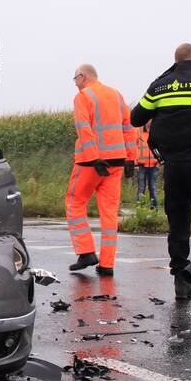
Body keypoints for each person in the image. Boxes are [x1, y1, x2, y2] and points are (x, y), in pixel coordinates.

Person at [130, 43, 191, 303]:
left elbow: (136, 118)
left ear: (176, 61)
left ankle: (180, 283)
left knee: (178, 223)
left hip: (173, 165)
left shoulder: (160, 84)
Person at [65, 64, 138, 276]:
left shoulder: (83, 97)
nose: (75, 83)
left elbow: (84, 128)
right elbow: (128, 126)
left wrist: (93, 157)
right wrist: (130, 159)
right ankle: (107, 264)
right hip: (116, 162)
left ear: (83, 76)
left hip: (91, 163)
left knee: (74, 203)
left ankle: (86, 252)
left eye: (75, 78)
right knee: (109, 214)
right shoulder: (115, 94)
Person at [135, 121, 159, 209]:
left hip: (154, 165)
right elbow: (134, 147)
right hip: (141, 165)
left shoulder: (156, 131)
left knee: (152, 188)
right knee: (141, 188)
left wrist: (159, 162)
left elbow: (161, 147)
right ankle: (140, 208)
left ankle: (155, 209)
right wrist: (135, 164)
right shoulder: (138, 131)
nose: (149, 122)